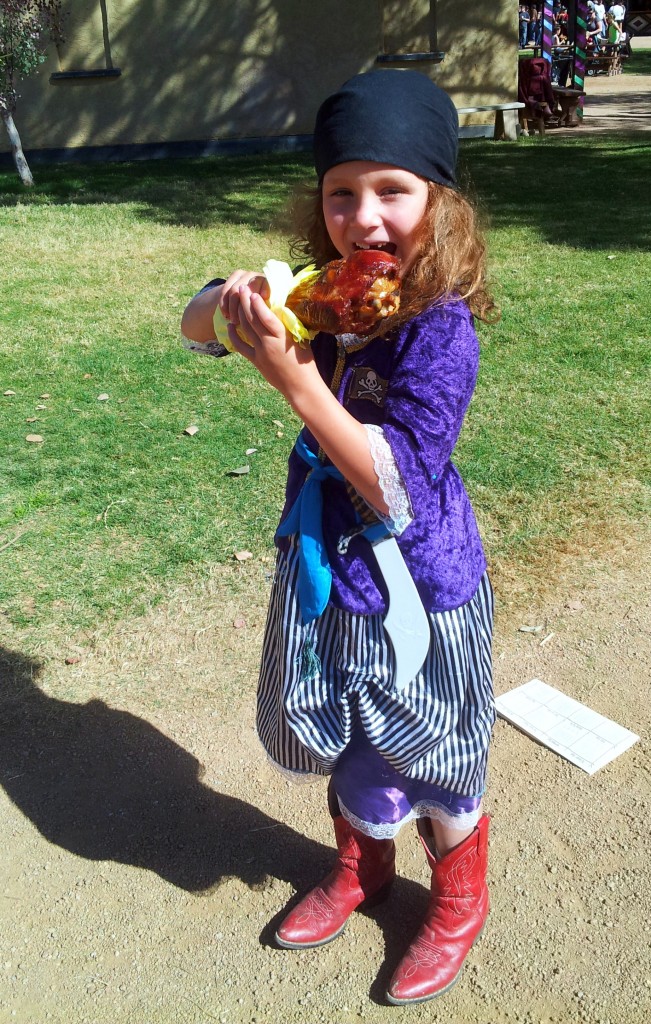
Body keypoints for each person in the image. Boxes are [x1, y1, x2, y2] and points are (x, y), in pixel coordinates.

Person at [181, 69, 498, 1006]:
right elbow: (193, 325)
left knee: (433, 746)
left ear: (439, 206)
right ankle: (363, 867)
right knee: (352, 735)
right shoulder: (323, 301)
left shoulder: (441, 329)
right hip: (327, 570)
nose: (364, 217)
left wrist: (295, 383)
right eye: (340, 193)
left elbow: (397, 480)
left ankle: (459, 893)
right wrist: (241, 299)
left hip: (421, 585)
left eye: (393, 191)